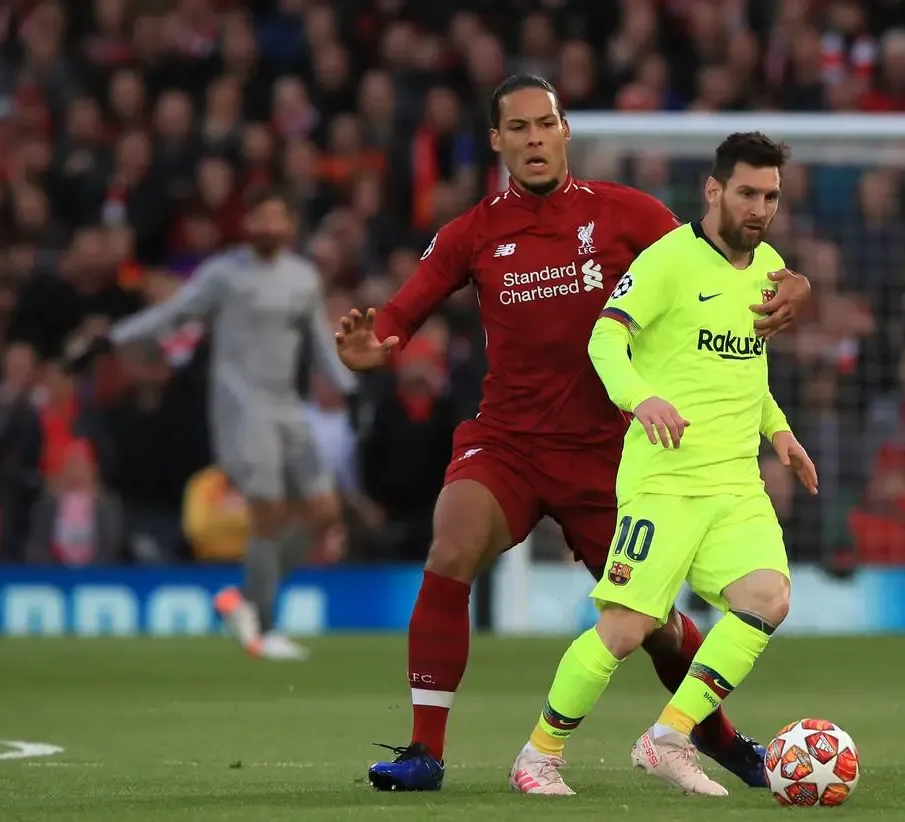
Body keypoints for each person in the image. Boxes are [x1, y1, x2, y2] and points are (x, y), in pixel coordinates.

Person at [333, 75, 812, 792]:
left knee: (645, 623)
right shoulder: (473, 232)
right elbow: (405, 308)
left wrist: (795, 282)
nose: (533, 138)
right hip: (510, 444)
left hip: (611, 454)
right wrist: (381, 342)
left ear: (565, 133)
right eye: (517, 127)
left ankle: (712, 735)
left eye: (545, 124)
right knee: (452, 544)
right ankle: (424, 751)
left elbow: (713, 259)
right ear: (497, 140)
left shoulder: (625, 214)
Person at [509, 131, 817, 797]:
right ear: (714, 190)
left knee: (768, 599)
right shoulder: (668, 261)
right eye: (746, 193)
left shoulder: (769, 266)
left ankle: (669, 736)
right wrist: (638, 396)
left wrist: (781, 432)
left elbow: (743, 368)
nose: (759, 207)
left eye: (770, 195)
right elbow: (605, 337)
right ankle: (538, 753)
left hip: (735, 483)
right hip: (666, 481)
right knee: (625, 628)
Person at [97, 188, 356, 660]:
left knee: (324, 513)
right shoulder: (224, 274)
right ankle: (263, 625)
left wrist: (353, 381)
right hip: (241, 406)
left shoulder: (302, 278)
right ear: (248, 224)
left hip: (287, 406)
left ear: (290, 226)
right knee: (270, 511)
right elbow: (174, 313)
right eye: (262, 217)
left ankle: (245, 600)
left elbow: (320, 342)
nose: (270, 226)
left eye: (279, 217)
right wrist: (114, 337)